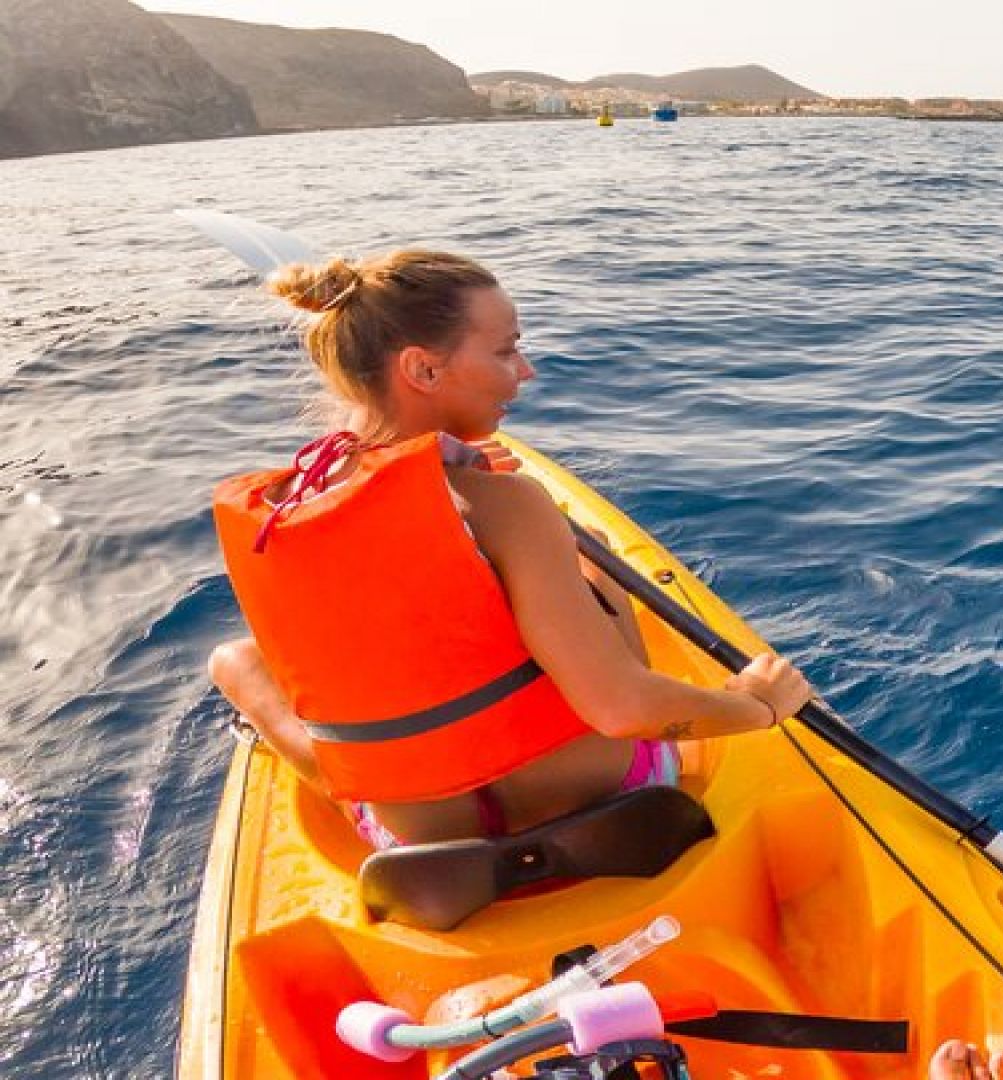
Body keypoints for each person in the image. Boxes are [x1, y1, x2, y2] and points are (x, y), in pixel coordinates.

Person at [208, 249, 811, 850]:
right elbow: (620, 711)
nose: (525, 371)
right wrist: (756, 706)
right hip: (610, 797)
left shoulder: (296, 504)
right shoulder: (507, 503)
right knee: (594, 553)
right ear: (422, 370)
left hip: (417, 846)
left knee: (234, 660)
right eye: (504, 350)